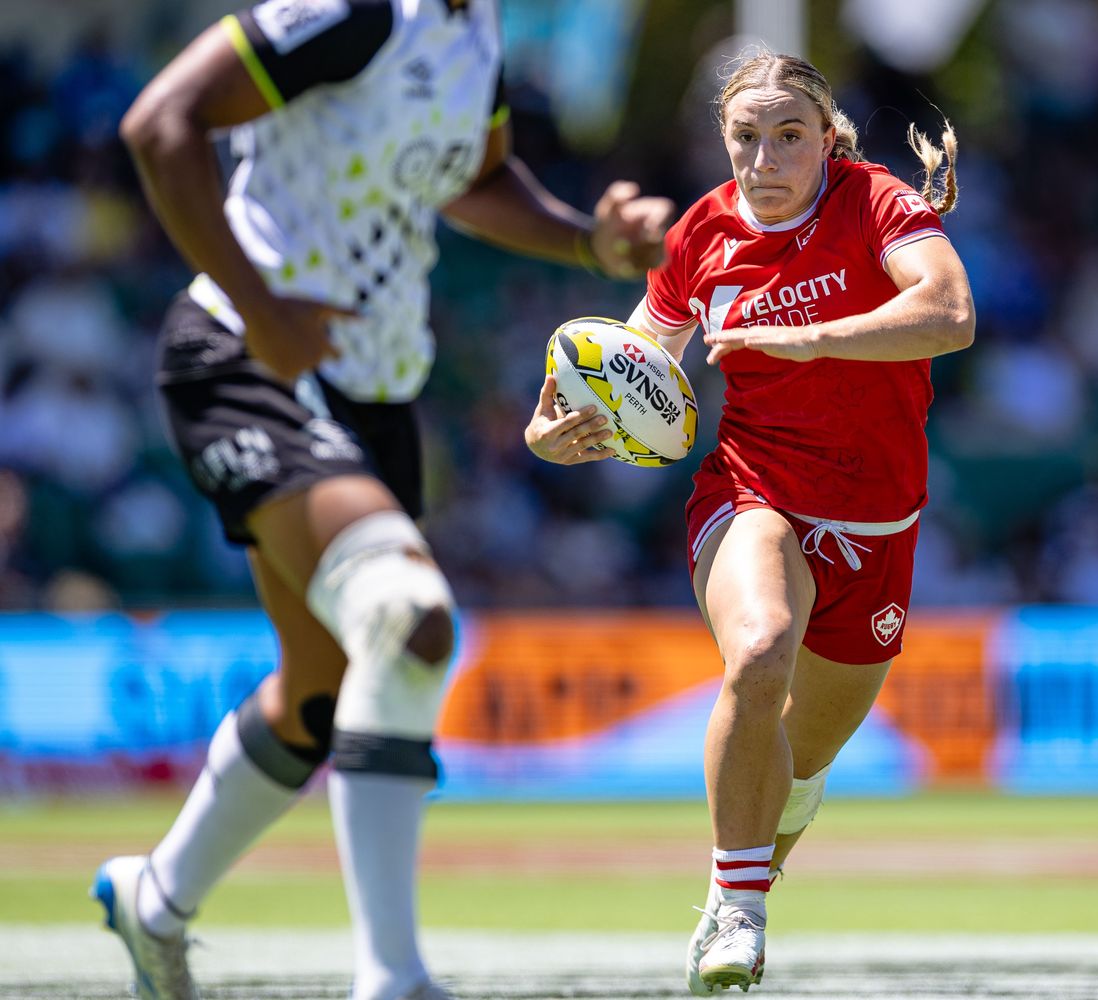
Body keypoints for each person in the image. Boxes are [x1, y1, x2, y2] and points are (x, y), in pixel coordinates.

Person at [93, 2, 670, 998]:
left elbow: (474, 183)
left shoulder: (477, 28)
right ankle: (394, 978)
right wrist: (261, 309)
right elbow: (160, 123)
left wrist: (593, 246)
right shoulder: (356, 10)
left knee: (318, 698)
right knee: (407, 619)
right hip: (253, 357)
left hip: (375, 390)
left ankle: (155, 899)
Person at [527, 50, 974, 994]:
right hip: (751, 491)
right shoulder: (701, 233)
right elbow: (631, 361)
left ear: (827, 139)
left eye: (789, 136)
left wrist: (806, 339)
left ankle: (740, 883)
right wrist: (557, 425)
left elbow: (949, 312)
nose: (765, 159)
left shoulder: (876, 202)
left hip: (879, 526)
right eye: (745, 137)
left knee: (801, 767)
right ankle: (738, 910)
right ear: (723, 140)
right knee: (762, 646)